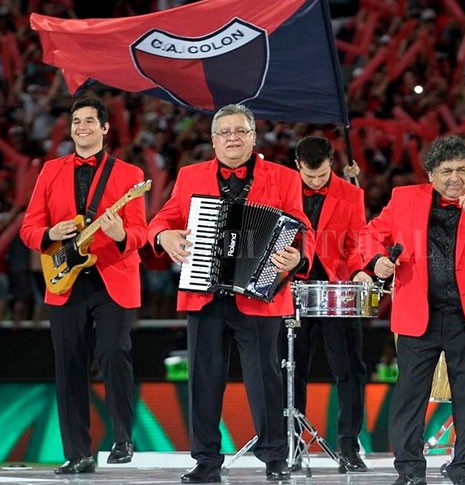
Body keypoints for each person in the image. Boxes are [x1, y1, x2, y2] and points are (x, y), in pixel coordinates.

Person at [147, 104, 315, 484]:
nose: (232, 138)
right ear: (213, 140)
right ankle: (206, 460)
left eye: (240, 131)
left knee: (265, 379)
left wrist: (298, 255)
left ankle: (275, 457)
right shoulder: (190, 175)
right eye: (225, 132)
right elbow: (161, 220)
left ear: (254, 137)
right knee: (203, 380)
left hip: (259, 294)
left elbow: (302, 228)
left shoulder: (285, 178)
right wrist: (163, 236)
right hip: (204, 295)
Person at [360, 135, 465, 485]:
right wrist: (376, 261)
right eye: (447, 171)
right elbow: (370, 234)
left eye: (462, 170)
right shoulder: (404, 198)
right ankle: (409, 471)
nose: (455, 178)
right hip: (418, 313)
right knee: (409, 398)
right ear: (431, 175)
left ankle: (464, 470)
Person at [20, 97, 146, 474]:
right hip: (65, 279)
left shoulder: (129, 173)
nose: (82, 127)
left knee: (113, 352)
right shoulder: (50, 171)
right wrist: (49, 233)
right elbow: (28, 228)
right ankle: (78, 453)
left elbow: (140, 232)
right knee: (69, 364)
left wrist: (122, 234)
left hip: (113, 276)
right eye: (77, 121)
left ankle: (122, 438)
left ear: (105, 128)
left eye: (90, 121)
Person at [291, 136, 371, 472]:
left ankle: (349, 448)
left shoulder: (352, 195)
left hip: (338, 290)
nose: (315, 181)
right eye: (309, 176)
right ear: (297, 165)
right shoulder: (282, 189)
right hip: (292, 289)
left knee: (349, 370)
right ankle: (292, 446)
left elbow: (356, 243)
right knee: (290, 370)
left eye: (322, 175)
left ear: (332, 165)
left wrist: (360, 270)